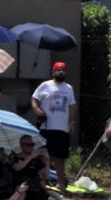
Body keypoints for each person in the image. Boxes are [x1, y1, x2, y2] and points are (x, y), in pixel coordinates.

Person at [30, 62, 76, 193]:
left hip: (62, 128)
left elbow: (72, 105)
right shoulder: (45, 85)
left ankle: (61, 184)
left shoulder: (68, 88)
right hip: (46, 126)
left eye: (63, 70)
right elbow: (34, 99)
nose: (61, 72)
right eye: (58, 70)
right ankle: (42, 182)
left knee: (60, 157)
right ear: (53, 71)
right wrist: (37, 110)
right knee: (44, 155)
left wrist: (72, 121)